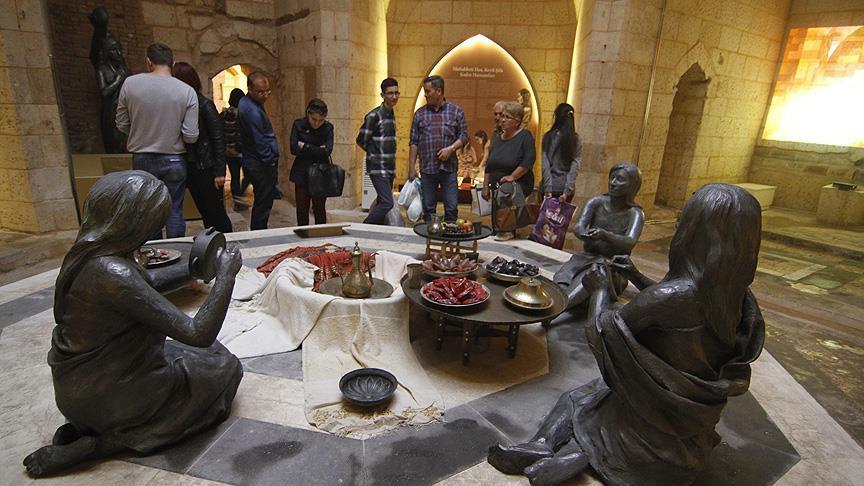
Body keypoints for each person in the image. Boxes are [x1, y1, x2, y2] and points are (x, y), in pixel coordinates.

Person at [487, 184, 765, 486]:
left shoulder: (674, 295)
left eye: (684, 217)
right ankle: (560, 452)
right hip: (682, 420)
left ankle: (559, 450)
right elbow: (670, 311)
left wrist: (600, 291)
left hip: (649, 417)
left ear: (698, 232)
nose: (677, 223)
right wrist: (635, 276)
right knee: (591, 398)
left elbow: (603, 333)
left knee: (579, 401)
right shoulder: (736, 298)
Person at [23, 171, 243, 478]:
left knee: (189, 354)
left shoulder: (87, 258)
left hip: (77, 390)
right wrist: (227, 275)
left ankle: (94, 425)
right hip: (111, 394)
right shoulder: (115, 273)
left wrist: (194, 271)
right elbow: (199, 333)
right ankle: (105, 443)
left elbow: (144, 288)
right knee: (225, 366)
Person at [116, 43, 198, 239]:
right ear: (173, 63)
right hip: (175, 158)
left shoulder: (130, 84)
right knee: (175, 211)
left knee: (148, 211)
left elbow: (121, 123)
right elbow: (191, 135)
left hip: (142, 157)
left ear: (149, 62)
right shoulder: (186, 91)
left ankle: (155, 257)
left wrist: (141, 131)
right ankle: (176, 249)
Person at [552, 163, 644, 309]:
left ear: (632, 185)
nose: (613, 183)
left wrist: (605, 235)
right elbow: (579, 226)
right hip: (586, 257)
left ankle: (559, 309)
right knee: (562, 277)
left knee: (592, 276)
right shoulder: (596, 202)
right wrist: (584, 234)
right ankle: (562, 302)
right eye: (612, 178)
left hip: (613, 266)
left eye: (620, 179)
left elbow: (629, 242)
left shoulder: (635, 213)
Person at [172, 62, 232, 233]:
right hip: (193, 166)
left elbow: (218, 139)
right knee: (205, 212)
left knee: (216, 213)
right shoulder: (181, 105)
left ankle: (226, 244)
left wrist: (220, 172)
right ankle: (213, 243)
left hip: (206, 167)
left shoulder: (204, 105)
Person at [408, 75, 469, 222]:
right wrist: (411, 167)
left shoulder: (456, 111)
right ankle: (430, 239)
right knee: (428, 208)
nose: (425, 95)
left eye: (428, 91)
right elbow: (414, 142)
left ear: (439, 91)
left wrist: (451, 148)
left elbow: (465, 136)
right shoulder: (420, 114)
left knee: (451, 207)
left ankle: (450, 239)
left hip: (449, 169)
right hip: (427, 169)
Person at [481, 101, 536, 241]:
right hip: (496, 184)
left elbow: (528, 161)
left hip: (518, 182)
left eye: (506, 117)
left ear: (517, 121)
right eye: (502, 116)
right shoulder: (498, 139)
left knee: (505, 191)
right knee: (497, 210)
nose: (502, 120)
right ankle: (499, 230)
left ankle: (507, 231)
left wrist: (512, 176)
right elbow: (490, 164)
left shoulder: (525, 136)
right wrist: (485, 186)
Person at [238, 71, 279, 230]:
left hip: (256, 161)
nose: (265, 95)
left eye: (267, 90)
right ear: (249, 88)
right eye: (260, 92)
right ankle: (258, 234)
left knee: (263, 203)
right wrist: (270, 161)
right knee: (263, 204)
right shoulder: (251, 111)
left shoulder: (250, 103)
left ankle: (259, 230)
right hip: (260, 164)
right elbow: (259, 140)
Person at [357, 77, 400, 225]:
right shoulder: (373, 115)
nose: (394, 97)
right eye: (390, 93)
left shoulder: (391, 113)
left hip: (389, 167)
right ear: (382, 95)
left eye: (396, 93)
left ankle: (376, 233)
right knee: (387, 203)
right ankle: (364, 227)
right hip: (377, 167)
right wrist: (374, 154)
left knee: (382, 201)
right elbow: (361, 140)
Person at [290, 98, 334, 226]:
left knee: (319, 208)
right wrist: (317, 149)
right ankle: (303, 236)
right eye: (314, 119)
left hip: (321, 172)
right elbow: (293, 148)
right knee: (302, 208)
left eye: (321, 120)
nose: (317, 123)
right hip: (302, 172)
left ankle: (321, 237)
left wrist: (305, 146)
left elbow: (327, 151)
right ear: (308, 114)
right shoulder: (298, 124)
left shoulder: (328, 128)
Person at [540, 103, 582, 203]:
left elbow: (545, 165)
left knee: (545, 218)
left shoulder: (549, 137)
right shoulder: (575, 139)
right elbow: (575, 166)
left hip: (550, 186)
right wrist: (567, 191)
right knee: (562, 218)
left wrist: (547, 188)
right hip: (565, 187)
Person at [222, 88, 250, 211]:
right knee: (249, 175)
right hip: (243, 150)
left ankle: (238, 201)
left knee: (234, 177)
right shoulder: (244, 113)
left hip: (229, 151)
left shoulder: (222, 114)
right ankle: (240, 197)